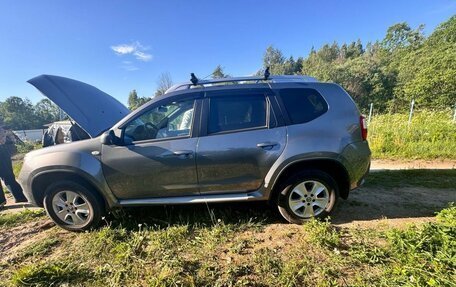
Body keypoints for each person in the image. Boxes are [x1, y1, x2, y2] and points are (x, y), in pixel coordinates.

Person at [0, 123, 27, 207]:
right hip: (3, 151)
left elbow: (3, 136)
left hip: (1, 151)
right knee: (8, 176)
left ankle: (20, 197)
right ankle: (18, 197)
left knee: (8, 176)